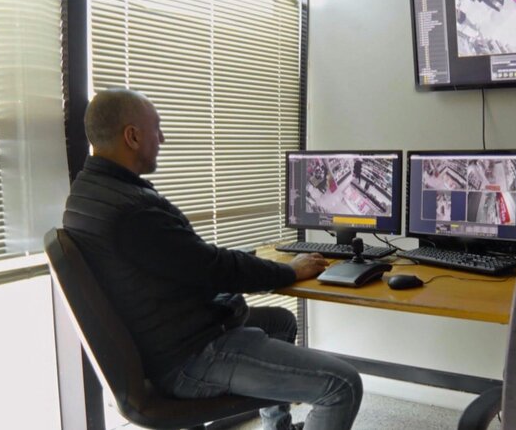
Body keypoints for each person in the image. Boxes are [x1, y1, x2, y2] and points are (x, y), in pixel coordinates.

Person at [62, 88, 363, 430]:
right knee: (343, 385)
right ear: (132, 136)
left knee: (281, 322)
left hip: (168, 337)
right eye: (156, 128)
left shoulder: (88, 193)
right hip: (190, 356)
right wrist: (288, 271)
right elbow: (214, 268)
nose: (162, 138)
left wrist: (257, 265)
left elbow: (189, 260)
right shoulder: (132, 212)